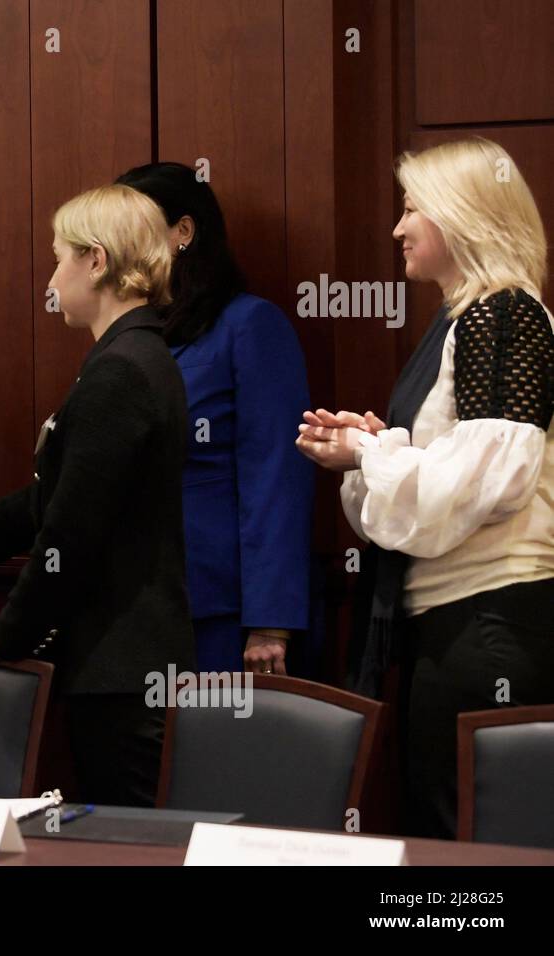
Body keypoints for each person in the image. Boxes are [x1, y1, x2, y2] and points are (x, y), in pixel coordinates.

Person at [0, 184, 197, 806]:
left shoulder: (119, 371)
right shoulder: (135, 355)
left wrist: (4, 637)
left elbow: (69, 536)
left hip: (120, 666)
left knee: (130, 847)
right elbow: (48, 503)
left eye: (59, 257)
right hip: (126, 661)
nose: (52, 275)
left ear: (97, 261)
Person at [297, 137, 554, 838]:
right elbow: (447, 482)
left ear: (461, 215)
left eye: (412, 209)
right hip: (459, 627)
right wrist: (373, 451)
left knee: (475, 846)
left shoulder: (501, 315)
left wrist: (372, 450)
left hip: (490, 625)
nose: (397, 228)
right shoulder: (465, 320)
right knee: (450, 834)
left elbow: (482, 485)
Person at [116, 163, 313, 676]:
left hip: (218, 606)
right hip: (128, 604)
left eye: (132, 224)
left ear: (183, 231)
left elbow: (275, 473)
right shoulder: (131, 331)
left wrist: (271, 620)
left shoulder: (249, 324)